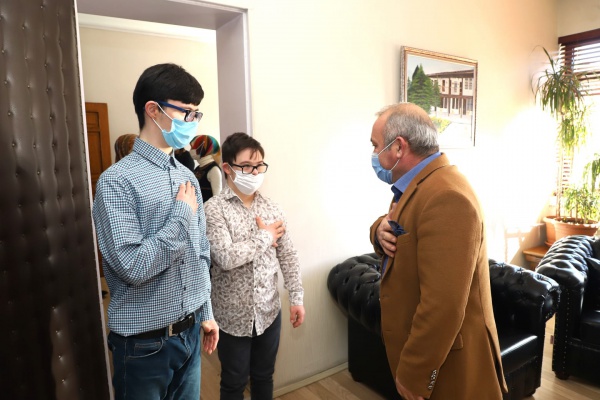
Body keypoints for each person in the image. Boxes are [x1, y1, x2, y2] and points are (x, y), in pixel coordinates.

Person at [92, 63, 219, 400]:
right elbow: (132, 266)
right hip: (144, 346)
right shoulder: (116, 182)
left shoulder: (188, 177)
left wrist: (205, 312)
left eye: (196, 113)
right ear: (153, 110)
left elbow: (200, 253)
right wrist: (181, 216)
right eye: (186, 112)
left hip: (190, 333)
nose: (193, 122)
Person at [369, 103, 507, 400]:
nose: (374, 154)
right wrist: (379, 229)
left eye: (376, 146)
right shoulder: (419, 185)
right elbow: (401, 227)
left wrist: (416, 374)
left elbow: (443, 305)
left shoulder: (446, 196)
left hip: (448, 367)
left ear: (399, 147)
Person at [204, 132, 305, 400]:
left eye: (259, 165)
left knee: (264, 377)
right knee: (233, 383)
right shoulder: (214, 209)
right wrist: (265, 237)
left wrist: (297, 298)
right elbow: (225, 257)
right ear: (228, 168)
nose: (256, 172)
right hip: (231, 316)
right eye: (247, 166)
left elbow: (288, 255)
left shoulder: (272, 208)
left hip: (268, 311)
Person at [190, 134, 222, 202]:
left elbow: (217, 197)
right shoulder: (198, 168)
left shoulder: (214, 170)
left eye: (193, 147)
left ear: (204, 148)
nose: (191, 150)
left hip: (207, 208)